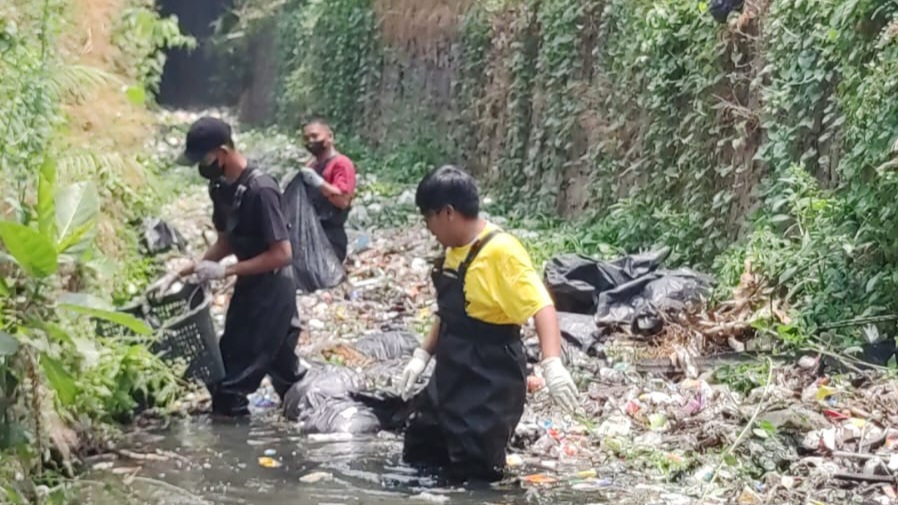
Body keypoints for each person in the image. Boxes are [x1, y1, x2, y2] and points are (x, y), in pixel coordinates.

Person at [398, 165, 579, 483]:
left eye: (428, 218)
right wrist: (421, 355)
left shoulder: (501, 251)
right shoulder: (454, 251)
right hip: (451, 371)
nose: (428, 229)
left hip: (489, 377)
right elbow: (449, 314)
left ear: (448, 213)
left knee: (475, 471)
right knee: (422, 446)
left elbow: (541, 305)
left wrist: (552, 364)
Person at [152, 116, 305, 417]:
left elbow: (283, 253)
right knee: (274, 363)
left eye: (204, 158)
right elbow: (226, 242)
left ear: (222, 152)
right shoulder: (220, 188)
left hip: (274, 288)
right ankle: (300, 411)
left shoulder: (261, 190)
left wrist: (225, 271)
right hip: (250, 284)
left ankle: (238, 453)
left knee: (230, 384)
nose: (201, 166)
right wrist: (186, 270)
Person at [297, 119, 357, 263]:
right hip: (310, 234)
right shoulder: (311, 165)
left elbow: (343, 201)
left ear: (329, 137)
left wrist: (319, 183)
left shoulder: (341, 164)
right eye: (306, 138)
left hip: (330, 238)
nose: (311, 141)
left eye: (315, 136)